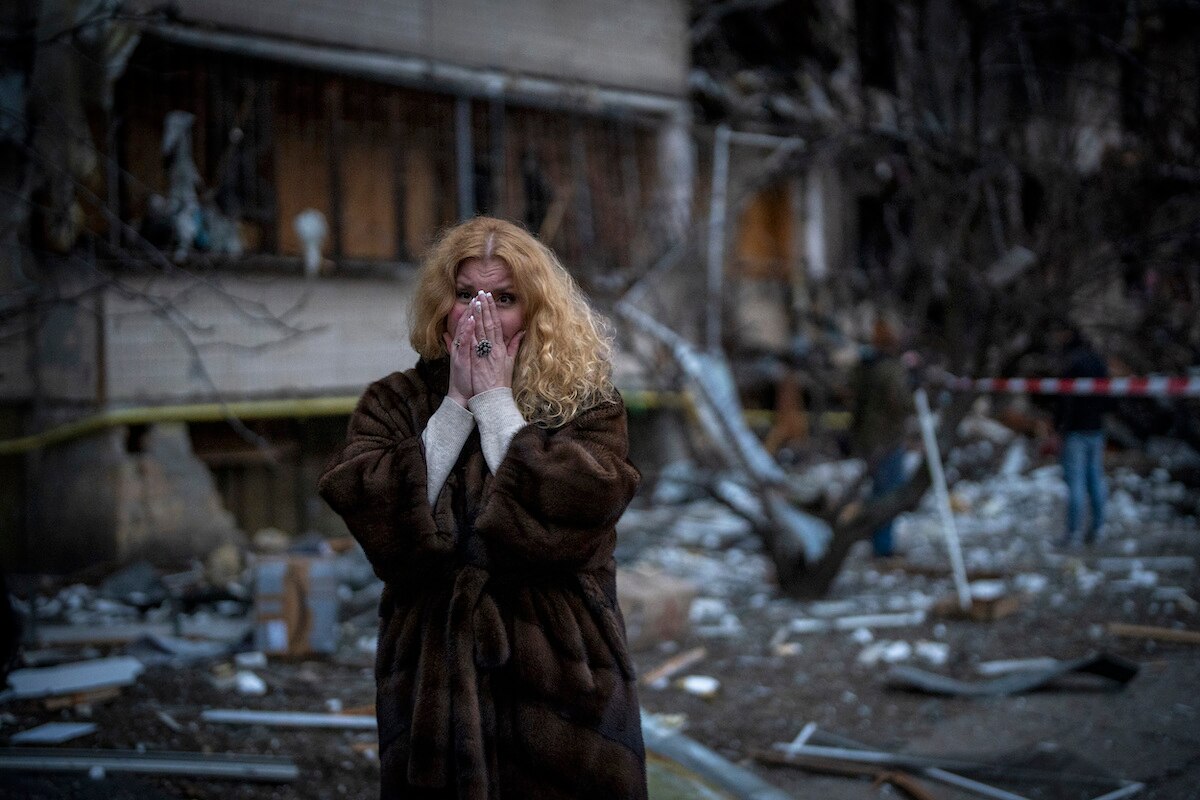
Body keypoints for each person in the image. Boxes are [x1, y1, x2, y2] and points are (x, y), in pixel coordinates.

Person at [318, 217, 646, 800]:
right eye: (466, 294)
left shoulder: (586, 404)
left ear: (538, 310)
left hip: (562, 675)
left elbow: (584, 513)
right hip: (433, 678)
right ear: (442, 303)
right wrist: (452, 411)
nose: (480, 315)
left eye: (505, 299)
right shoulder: (394, 402)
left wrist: (496, 404)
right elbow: (372, 519)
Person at [849, 319, 914, 558]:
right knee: (888, 494)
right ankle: (882, 545)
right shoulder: (889, 368)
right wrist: (914, 391)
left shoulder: (866, 365)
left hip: (868, 437)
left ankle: (875, 539)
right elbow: (900, 402)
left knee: (879, 490)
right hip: (886, 438)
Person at [1053, 325, 1108, 547]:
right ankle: (1098, 527)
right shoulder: (1098, 362)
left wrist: (1059, 427)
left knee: (1076, 482)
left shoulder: (1072, 364)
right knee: (1095, 478)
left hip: (1076, 430)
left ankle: (1074, 531)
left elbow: (1064, 400)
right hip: (1096, 428)